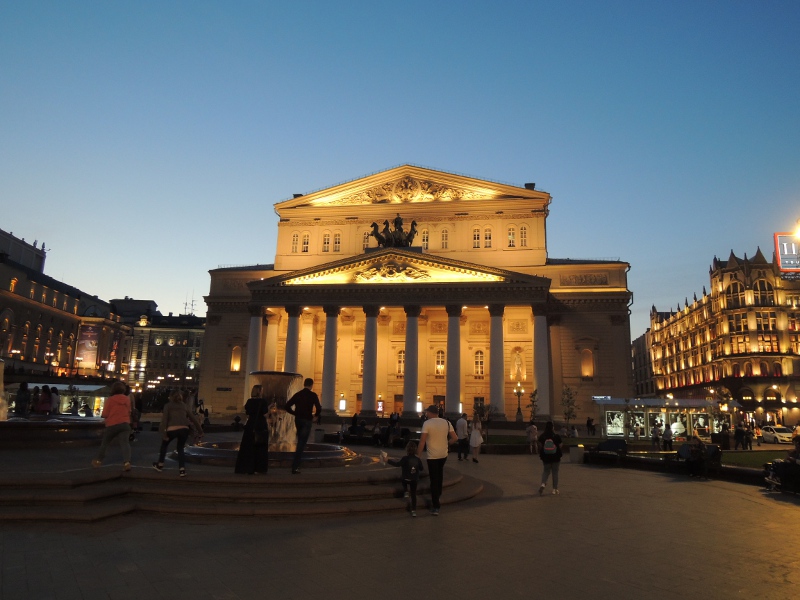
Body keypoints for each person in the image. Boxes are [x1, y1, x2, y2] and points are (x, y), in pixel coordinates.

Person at [416, 404, 457, 515]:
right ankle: (438, 494)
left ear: (430, 413)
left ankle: (436, 506)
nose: (426, 414)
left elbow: (422, 441)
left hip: (432, 456)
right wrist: (447, 444)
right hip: (443, 454)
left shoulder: (427, 423)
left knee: (434, 480)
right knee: (439, 475)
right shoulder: (447, 423)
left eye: (427, 412)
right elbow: (455, 438)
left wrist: (418, 456)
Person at [152, 390, 203, 477]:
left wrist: (164, 433)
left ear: (170, 397)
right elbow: (193, 419)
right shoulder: (184, 406)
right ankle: (182, 469)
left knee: (164, 445)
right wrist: (200, 431)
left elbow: (165, 420)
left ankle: (160, 464)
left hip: (172, 429)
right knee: (180, 449)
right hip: (184, 429)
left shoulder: (168, 406)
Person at [92, 381, 133, 471]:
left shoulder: (110, 399)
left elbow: (105, 414)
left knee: (105, 443)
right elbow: (129, 411)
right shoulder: (127, 399)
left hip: (112, 424)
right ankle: (127, 462)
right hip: (125, 424)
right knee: (125, 444)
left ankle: (98, 461)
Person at [285, 378, 321, 474]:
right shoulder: (313, 395)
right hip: (307, 420)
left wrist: (294, 413)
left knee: (300, 440)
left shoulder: (298, 394)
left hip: (298, 419)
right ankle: (295, 466)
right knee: (301, 443)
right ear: (311, 385)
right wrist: (316, 416)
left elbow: (287, 406)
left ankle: (297, 463)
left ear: (304, 384)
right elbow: (319, 407)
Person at [235, 384, 270, 475]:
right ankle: (259, 468)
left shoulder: (249, 401)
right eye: (261, 390)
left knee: (248, 446)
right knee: (260, 446)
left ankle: (246, 467)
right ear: (259, 391)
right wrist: (270, 408)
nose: (262, 391)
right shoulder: (263, 401)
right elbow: (265, 414)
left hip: (250, 425)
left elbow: (247, 413)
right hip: (260, 425)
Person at [387, 441, 424, 517]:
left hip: (406, 478)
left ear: (407, 449)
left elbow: (397, 464)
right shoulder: (418, 459)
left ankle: (406, 490)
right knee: (413, 494)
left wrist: (387, 460)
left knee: (403, 480)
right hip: (414, 480)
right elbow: (421, 469)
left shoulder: (404, 458)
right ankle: (414, 510)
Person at [537, 421, 563, 495]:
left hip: (546, 457)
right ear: (553, 427)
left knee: (546, 471)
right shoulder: (556, 436)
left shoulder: (542, 436)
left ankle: (543, 483)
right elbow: (561, 445)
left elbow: (539, 445)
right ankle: (555, 489)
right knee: (555, 473)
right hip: (556, 457)